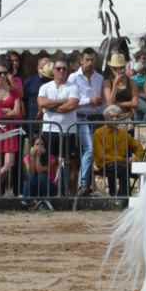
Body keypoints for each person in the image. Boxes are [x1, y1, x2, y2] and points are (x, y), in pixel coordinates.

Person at [37, 57, 80, 194]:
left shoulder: (73, 87)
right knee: (49, 163)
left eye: (64, 69)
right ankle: (50, 193)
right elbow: (42, 103)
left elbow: (71, 106)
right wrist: (62, 101)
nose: (61, 71)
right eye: (58, 68)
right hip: (49, 131)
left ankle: (69, 194)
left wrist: (51, 106)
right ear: (53, 71)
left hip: (69, 131)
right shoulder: (45, 87)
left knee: (69, 164)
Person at [66, 47, 106, 195]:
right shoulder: (73, 78)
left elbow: (101, 101)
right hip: (81, 118)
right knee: (88, 150)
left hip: (96, 118)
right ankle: (82, 184)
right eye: (87, 60)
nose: (90, 62)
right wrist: (90, 100)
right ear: (81, 61)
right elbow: (71, 99)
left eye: (92, 60)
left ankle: (88, 185)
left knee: (92, 153)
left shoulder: (99, 78)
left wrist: (103, 107)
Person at [94, 104, 146, 197]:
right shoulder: (98, 133)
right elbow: (100, 156)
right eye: (112, 117)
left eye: (117, 117)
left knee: (133, 169)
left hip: (122, 164)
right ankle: (122, 196)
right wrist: (122, 160)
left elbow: (138, 147)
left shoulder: (123, 133)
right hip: (105, 164)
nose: (115, 119)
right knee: (122, 169)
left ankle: (123, 196)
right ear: (106, 118)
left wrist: (135, 158)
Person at [0, 61, 23, 197]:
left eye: (4, 73)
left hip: (9, 130)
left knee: (9, 164)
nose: (2, 75)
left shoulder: (14, 92)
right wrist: (6, 111)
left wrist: (0, 113)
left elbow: (17, 112)